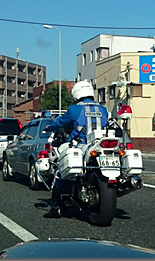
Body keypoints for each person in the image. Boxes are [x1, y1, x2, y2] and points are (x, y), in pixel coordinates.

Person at [43, 80, 109, 218]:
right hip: (100, 144)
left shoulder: (74, 109)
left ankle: (56, 207)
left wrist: (49, 127)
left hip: (80, 144)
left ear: (77, 94)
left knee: (59, 169)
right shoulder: (103, 109)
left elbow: (61, 122)